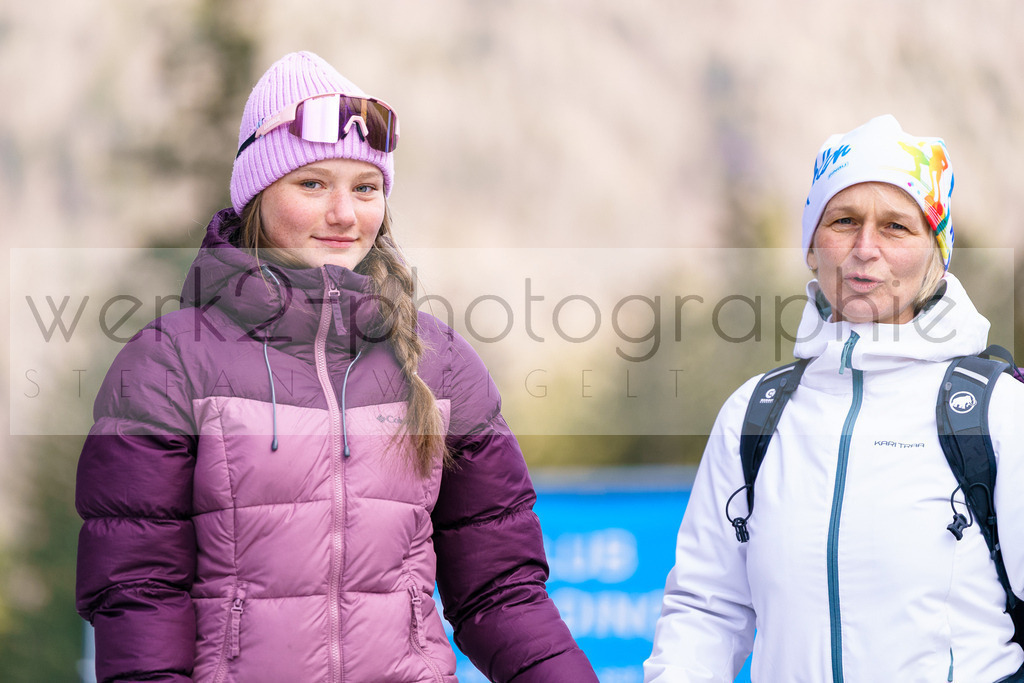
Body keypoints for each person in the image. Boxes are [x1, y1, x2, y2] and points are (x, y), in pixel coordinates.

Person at [75, 51, 598, 683]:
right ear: (257, 195)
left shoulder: (440, 366)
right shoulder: (168, 364)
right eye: (313, 183)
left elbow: (501, 590)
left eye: (365, 188)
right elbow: (137, 595)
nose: (345, 214)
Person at [643, 115, 1024, 681]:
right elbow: (707, 610)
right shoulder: (754, 414)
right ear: (811, 248)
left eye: (896, 226)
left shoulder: (997, 412)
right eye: (844, 220)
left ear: (935, 252)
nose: (865, 248)